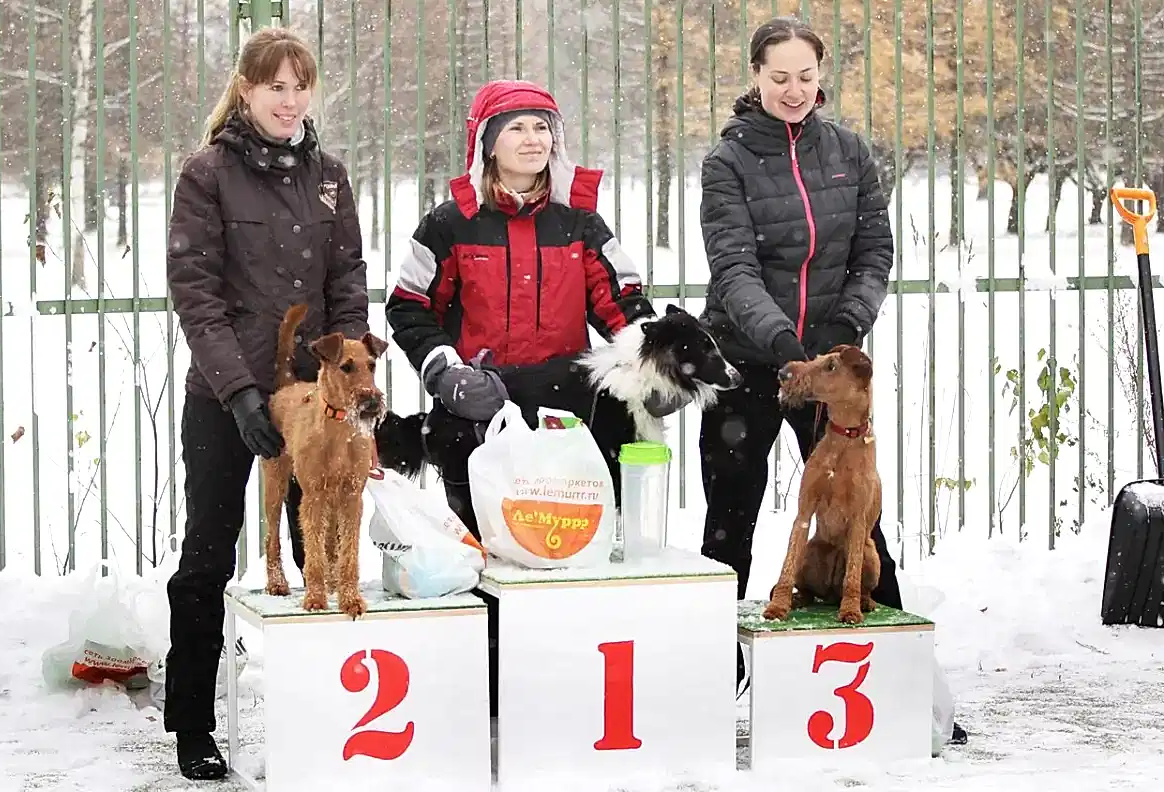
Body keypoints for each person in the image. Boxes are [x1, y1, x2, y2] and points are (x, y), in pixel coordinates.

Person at [697, 15, 967, 746]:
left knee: (859, 520)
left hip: (829, 368)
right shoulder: (727, 162)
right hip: (749, 365)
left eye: (806, 76)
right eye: (779, 77)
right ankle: (708, 689)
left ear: (822, 76)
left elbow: (874, 249)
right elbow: (734, 266)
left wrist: (842, 330)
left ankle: (910, 692)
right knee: (730, 524)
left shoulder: (849, 152)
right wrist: (785, 346)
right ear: (756, 76)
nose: (794, 90)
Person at [164, 27, 371, 779]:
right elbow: (196, 296)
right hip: (229, 398)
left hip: (315, 404)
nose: (289, 101)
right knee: (208, 554)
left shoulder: (329, 176)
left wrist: (343, 382)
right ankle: (193, 722)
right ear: (246, 90)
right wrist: (242, 393)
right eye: (275, 86)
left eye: (300, 86)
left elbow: (347, 283)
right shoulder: (207, 174)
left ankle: (322, 718)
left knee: (323, 550)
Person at [385, 78, 660, 536]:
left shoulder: (580, 223)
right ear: (488, 144)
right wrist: (447, 374)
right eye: (516, 128)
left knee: (563, 546)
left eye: (542, 127)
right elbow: (410, 307)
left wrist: (656, 364)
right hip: (479, 409)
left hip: (566, 413)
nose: (533, 140)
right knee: (486, 548)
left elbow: (621, 302)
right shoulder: (450, 224)